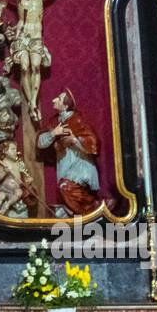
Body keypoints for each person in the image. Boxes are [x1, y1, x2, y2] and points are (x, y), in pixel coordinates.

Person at [36, 89, 105, 217]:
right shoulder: (55, 122)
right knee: (66, 191)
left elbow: (92, 142)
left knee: (66, 187)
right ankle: (88, 208)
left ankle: (91, 208)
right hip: (64, 163)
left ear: (66, 105)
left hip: (80, 164)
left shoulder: (77, 120)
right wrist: (53, 133)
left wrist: (74, 140)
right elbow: (40, 142)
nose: (54, 100)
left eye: (59, 98)